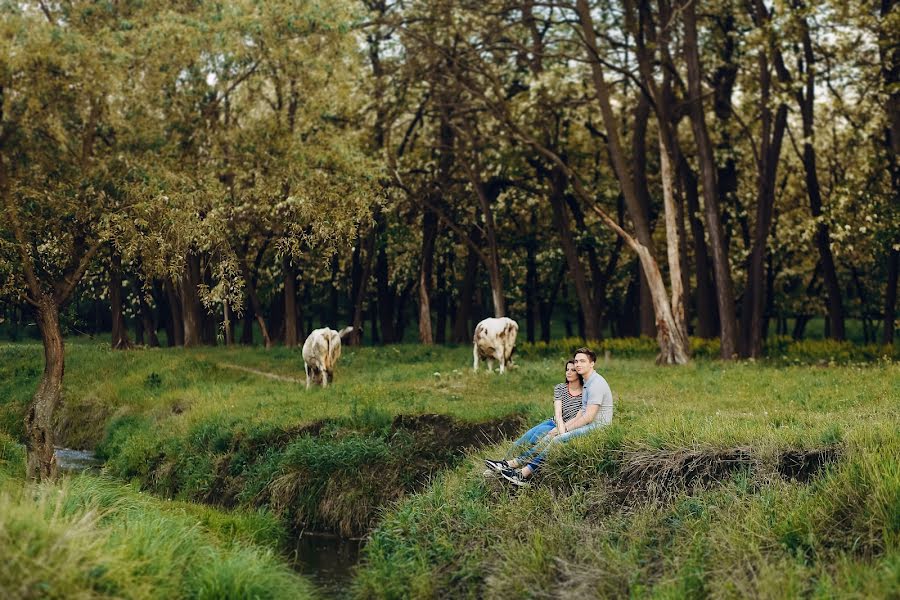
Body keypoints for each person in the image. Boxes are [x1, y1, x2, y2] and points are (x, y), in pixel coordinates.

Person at [490, 347, 613, 487]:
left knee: (557, 440)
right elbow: (581, 414)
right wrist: (564, 427)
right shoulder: (587, 383)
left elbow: (589, 417)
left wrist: (565, 430)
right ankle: (513, 463)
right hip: (587, 425)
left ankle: (523, 474)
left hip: (599, 428)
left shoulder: (596, 384)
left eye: (583, 361)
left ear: (592, 363)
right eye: (577, 361)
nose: (578, 364)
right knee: (548, 436)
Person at [483, 359, 584, 477]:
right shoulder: (560, 388)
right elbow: (558, 413)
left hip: (569, 426)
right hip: (554, 422)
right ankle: (501, 465)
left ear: (579, 372)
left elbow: (579, 417)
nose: (568, 373)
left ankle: (515, 469)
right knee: (523, 440)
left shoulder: (585, 392)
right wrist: (559, 427)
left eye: (573, 370)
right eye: (567, 370)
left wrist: (563, 430)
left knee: (536, 441)